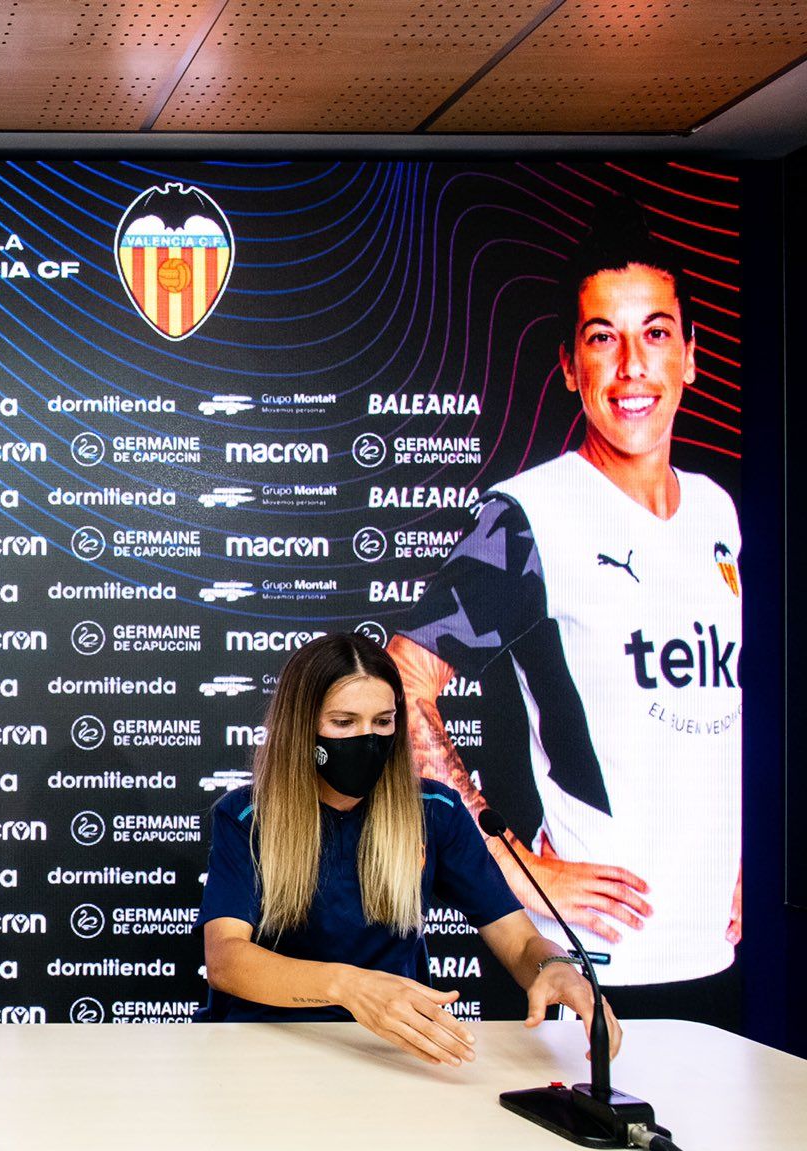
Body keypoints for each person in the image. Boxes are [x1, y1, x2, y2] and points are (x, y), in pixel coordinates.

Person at [387, 205, 741, 1017]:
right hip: (594, 964)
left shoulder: (719, 513)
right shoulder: (532, 514)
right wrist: (509, 862)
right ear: (570, 367)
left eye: (654, 335)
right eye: (602, 339)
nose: (631, 368)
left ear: (690, 358)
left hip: (718, 952)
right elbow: (397, 682)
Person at [199, 633, 620, 1067]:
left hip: (392, 1048)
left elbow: (519, 941)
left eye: (382, 722)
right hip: (267, 1047)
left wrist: (555, 968)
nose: (367, 739)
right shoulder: (248, 816)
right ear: (301, 725)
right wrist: (348, 987)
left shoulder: (433, 810)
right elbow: (227, 959)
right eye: (343, 724)